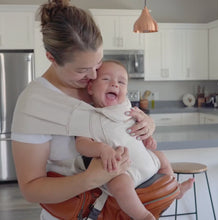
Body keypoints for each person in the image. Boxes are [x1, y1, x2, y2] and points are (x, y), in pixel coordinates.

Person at [11, 1, 156, 220]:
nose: (93, 76)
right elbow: (31, 188)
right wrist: (91, 178)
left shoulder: (101, 86)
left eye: (97, 64)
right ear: (51, 57)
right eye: (82, 70)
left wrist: (147, 124)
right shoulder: (34, 104)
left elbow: (121, 122)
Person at [70, 60, 194, 220]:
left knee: (161, 156)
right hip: (124, 171)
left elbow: (138, 130)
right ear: (90, 88)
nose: (115, 84)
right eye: (106, 79)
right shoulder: (88, 116)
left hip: (146, 162)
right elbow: (81, 144)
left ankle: (176, 190)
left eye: (121, 82)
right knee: (119, 185)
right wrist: (102, 149)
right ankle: (142, 216)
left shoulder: (128, 110)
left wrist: (147, 138)